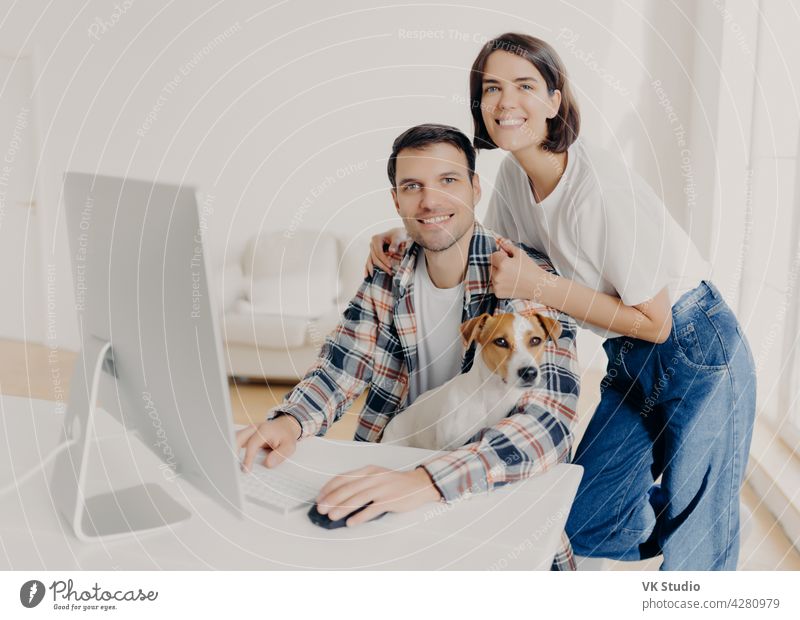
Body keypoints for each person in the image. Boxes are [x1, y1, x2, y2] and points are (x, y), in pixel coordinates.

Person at [365, 34, 756, 570]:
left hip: (697, 346)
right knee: (579, 519)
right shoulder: (512, 178)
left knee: (698, 538)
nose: (506, 101)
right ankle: (704, 516)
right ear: (479, 105)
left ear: (555, 99)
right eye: (491, 88)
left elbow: (657, 323)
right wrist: (410, 230)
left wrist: (539, 287)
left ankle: (708, 526)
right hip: (629, 356)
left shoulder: (599, 189)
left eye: (525, 85)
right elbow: (484, 254)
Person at [236, 123, 581, 569]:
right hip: (391, 475)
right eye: (412, 186)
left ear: (476, 188)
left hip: (492, 493)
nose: (430, 201)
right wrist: (290, 421)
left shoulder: (525, 274)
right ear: (396, 200)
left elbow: (550, 422)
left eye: (448, 181)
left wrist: (427, 481)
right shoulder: (388, 270)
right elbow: (343, 364)